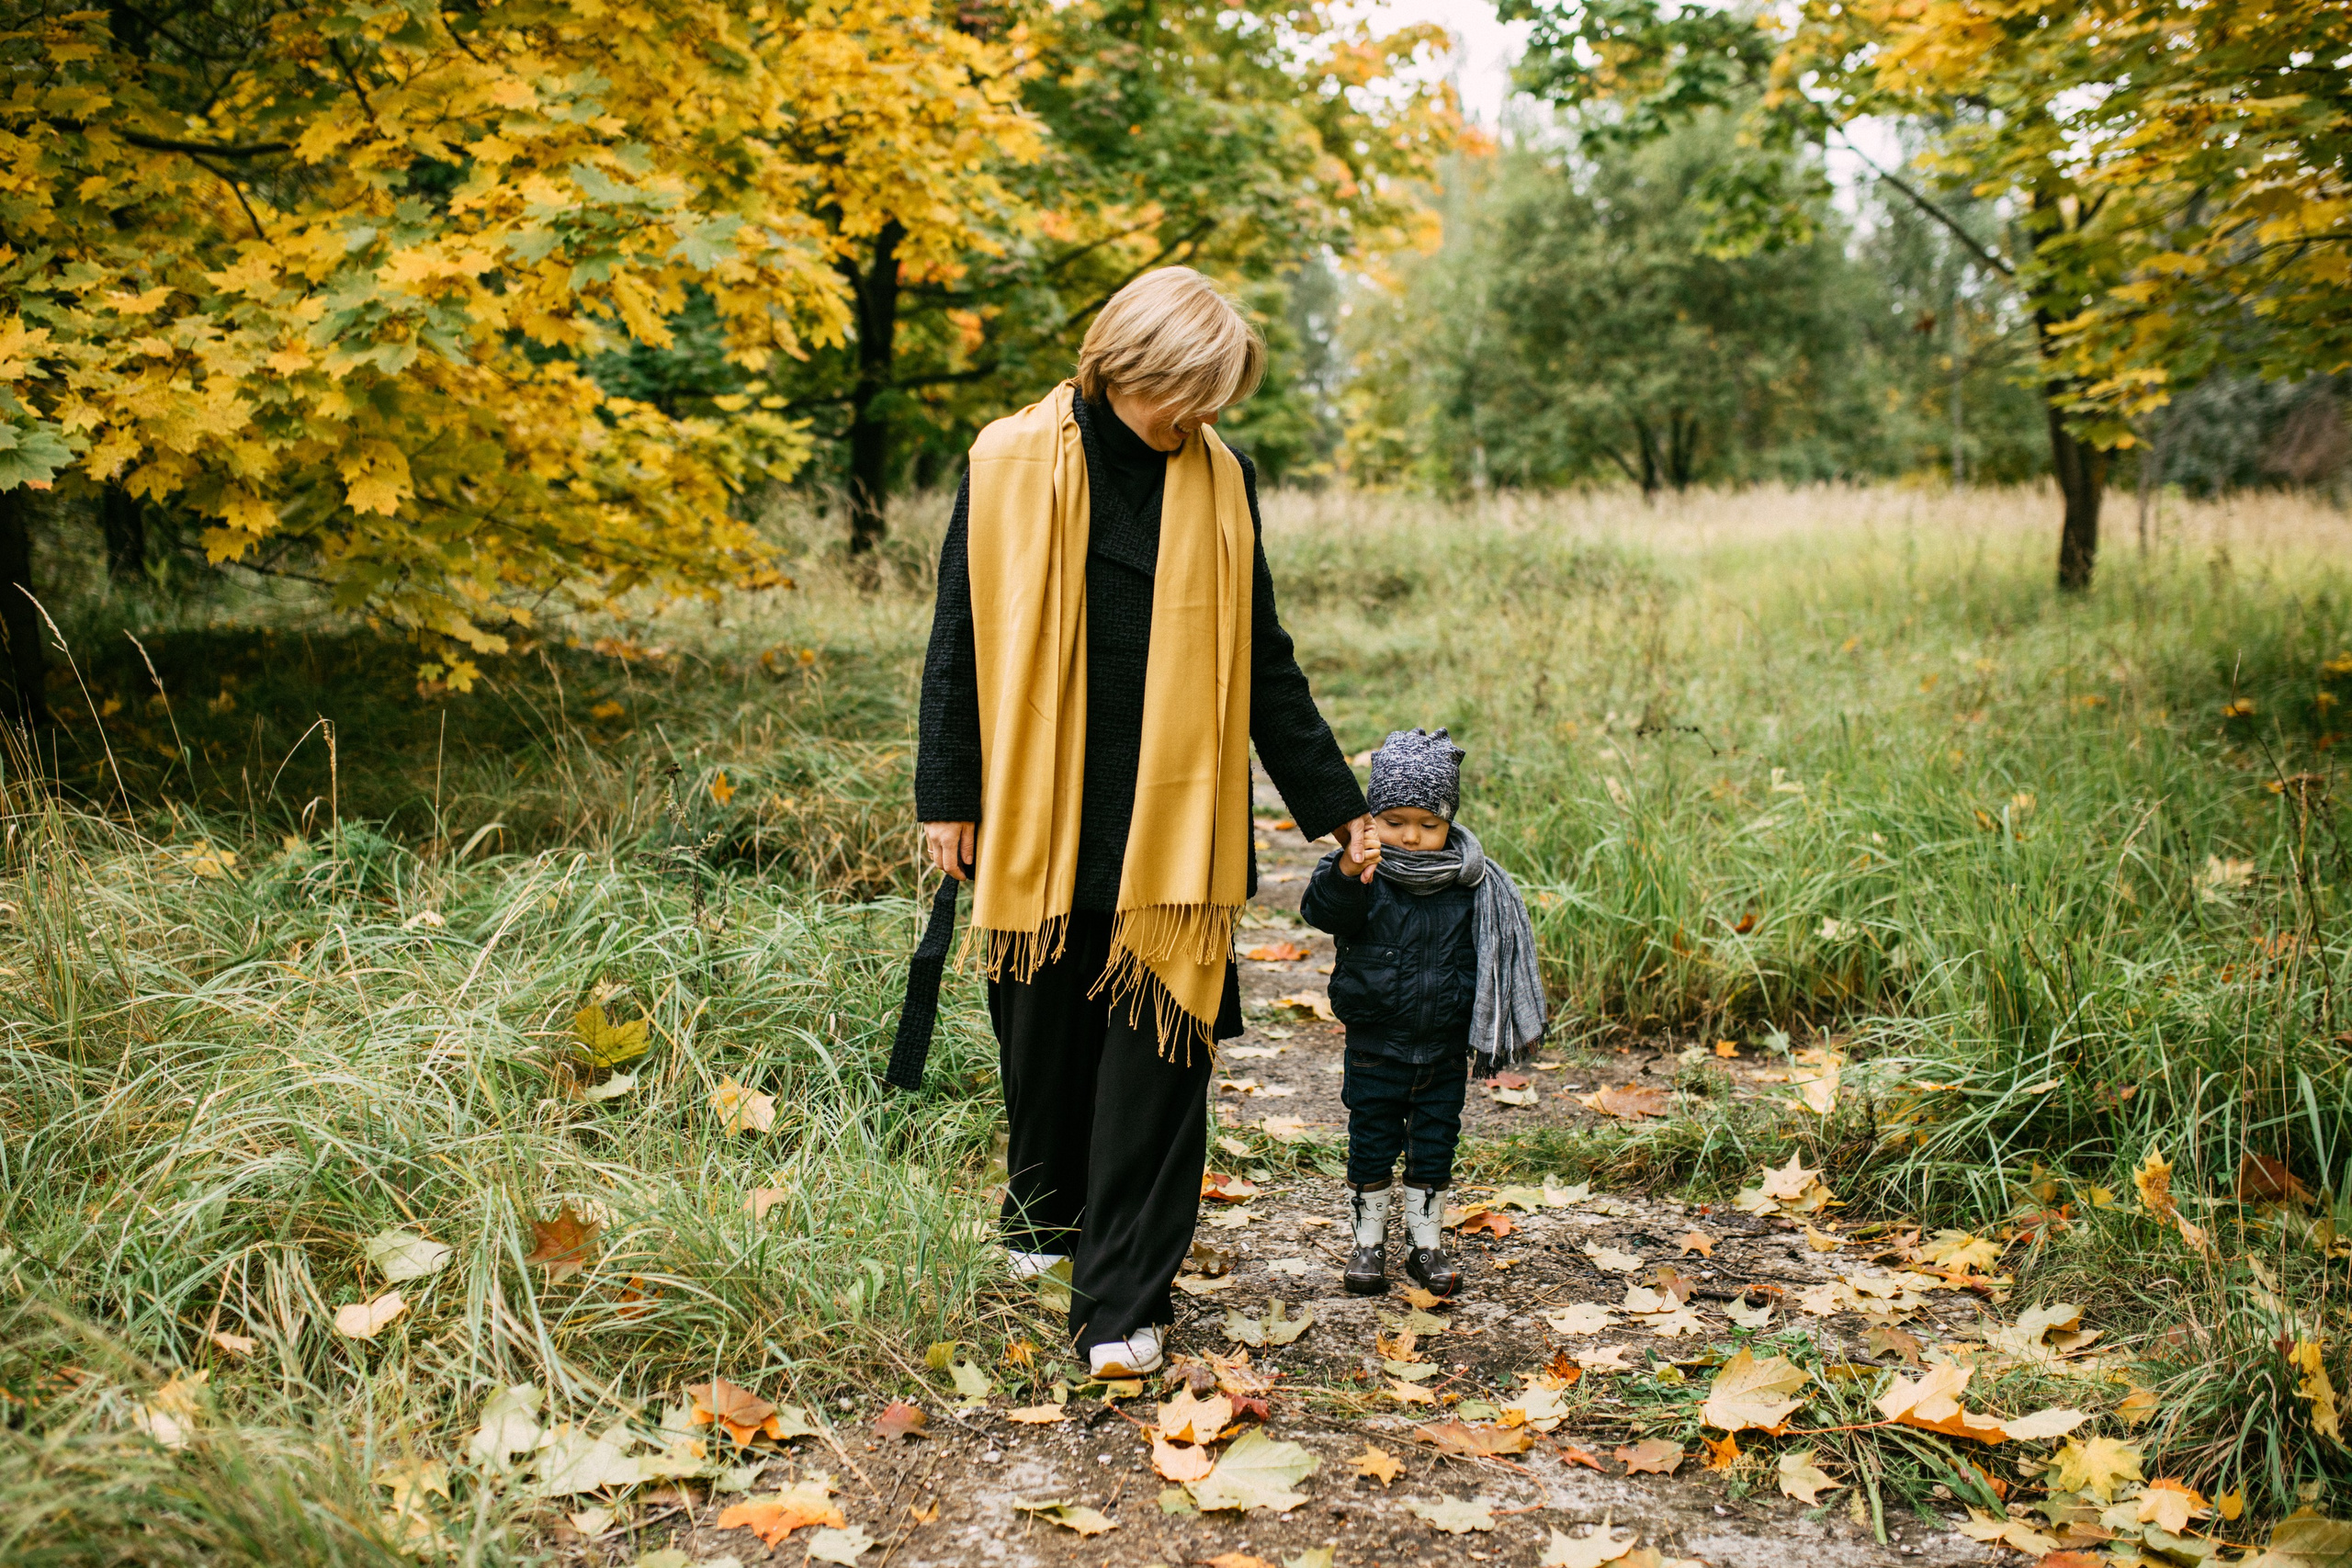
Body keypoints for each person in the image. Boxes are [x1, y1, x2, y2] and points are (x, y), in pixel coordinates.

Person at [913, 267, 1367, 1378]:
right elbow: (958, 636)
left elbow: (1262, 657)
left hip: (1171, 820)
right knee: (1045, 1039)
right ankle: (1046, 1219)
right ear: (1127, 368)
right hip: (1038, 804)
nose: (1201, 419)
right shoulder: (1007, 459)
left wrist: (1335, 807)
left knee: (1155, 1062)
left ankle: (1121, 1302)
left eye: (1217, 399)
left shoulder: (1220, 477)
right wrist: (946, 794)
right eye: (1189, 394)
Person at [1300, 727, 1548, 1299]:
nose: (1411, 837)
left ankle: (1426, 1245)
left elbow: (1486, 956)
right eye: (1395, 822)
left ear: (1449, 824)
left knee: (1436, 1142)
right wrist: (1345, 869)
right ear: (1371, 819)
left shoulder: (1470, 885)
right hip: (1374, 1045)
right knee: (1372, 1139)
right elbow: (1322, 912)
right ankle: (1367, 1245)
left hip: (1442, 1046)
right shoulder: (1361, 876)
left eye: (1429, 824)